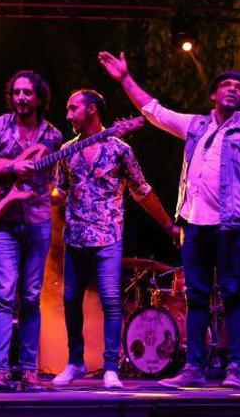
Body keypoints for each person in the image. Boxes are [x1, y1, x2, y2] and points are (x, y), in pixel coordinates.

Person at [98, 51, 240, 388]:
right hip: (194, 224)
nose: (232, 89)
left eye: (239, 87)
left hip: (232, 225)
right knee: (195, 297)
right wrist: (125, 79)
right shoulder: (195, 125)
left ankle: (236, 369)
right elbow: (154, 112)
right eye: (225, 85)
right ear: (213, 94)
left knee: (233, 293)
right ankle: (193, 368)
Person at [50, 89, 178, 389]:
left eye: (73, 109)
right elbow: (61, 190)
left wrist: (167, 225)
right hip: (76, 237)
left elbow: (142, 190)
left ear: (92, 110)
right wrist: (37, 196)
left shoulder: (120, 150)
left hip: (108, 236)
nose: (68, 115)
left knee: (110, 300)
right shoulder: (68, 150)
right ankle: (75, 362)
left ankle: (110, 367)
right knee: (70, 300)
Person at [0, 70, 63, 391]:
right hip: (1, 222)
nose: (22, 98)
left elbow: (56, 180)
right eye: (18, 93)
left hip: (37, 220)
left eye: (28, 93)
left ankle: (28, 369)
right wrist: (11, 167)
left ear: (39, 98)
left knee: (32, 297)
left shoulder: (53, 137)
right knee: (3, 296)